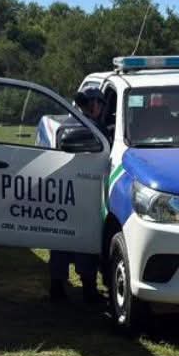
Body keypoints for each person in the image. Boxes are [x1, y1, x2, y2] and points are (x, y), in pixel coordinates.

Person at [49, 87, 105, 303]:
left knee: (61, 240)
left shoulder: (67, 125)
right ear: (89, 104)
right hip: (82, 192)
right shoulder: (89, 128)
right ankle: (87, 289)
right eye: (95, 103)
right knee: (83, 240)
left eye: (100, 103)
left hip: (67, 191)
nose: (98, 107)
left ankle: (58, 286)